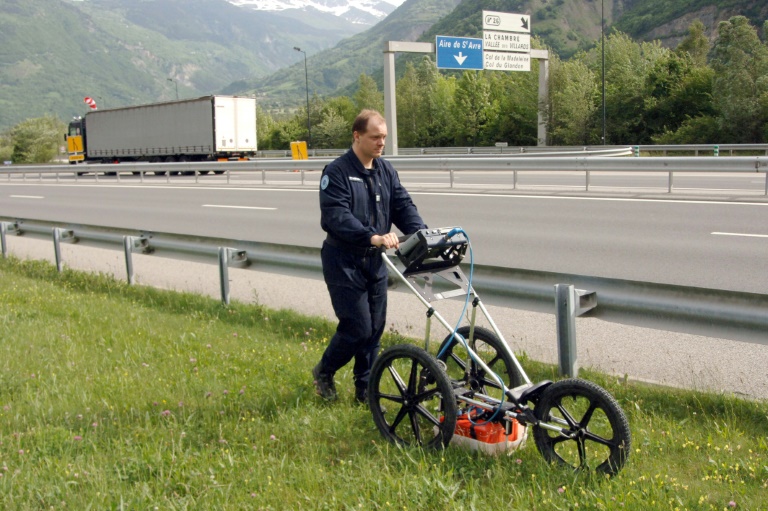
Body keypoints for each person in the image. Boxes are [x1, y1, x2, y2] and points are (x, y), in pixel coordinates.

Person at [313, 109, 427, 403]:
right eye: (375, 137)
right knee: (357, 328)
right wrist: (372, 236)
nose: (381, 143)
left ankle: (365, 390)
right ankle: (324, 371)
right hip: (344, 261)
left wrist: (421, 234)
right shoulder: (337, 172)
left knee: (374, 329)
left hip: (375, 261)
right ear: (357, 136)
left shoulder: (385, 170)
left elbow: (402, 204)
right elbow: (336, 216)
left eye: (384, 138)